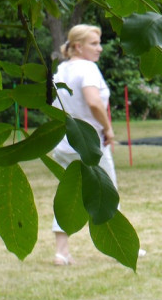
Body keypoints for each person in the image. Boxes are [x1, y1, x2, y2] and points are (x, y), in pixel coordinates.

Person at [49, 24, 116, 266]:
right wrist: (107, 128)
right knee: (107, 194)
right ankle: (118, 246)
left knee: (68, 195)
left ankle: (61, 252)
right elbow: (94, 102)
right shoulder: (88, 68)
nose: (100, 48)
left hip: (63, 142)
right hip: (89, 144)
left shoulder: (60, 70)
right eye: (94, 43)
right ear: (78, 46)